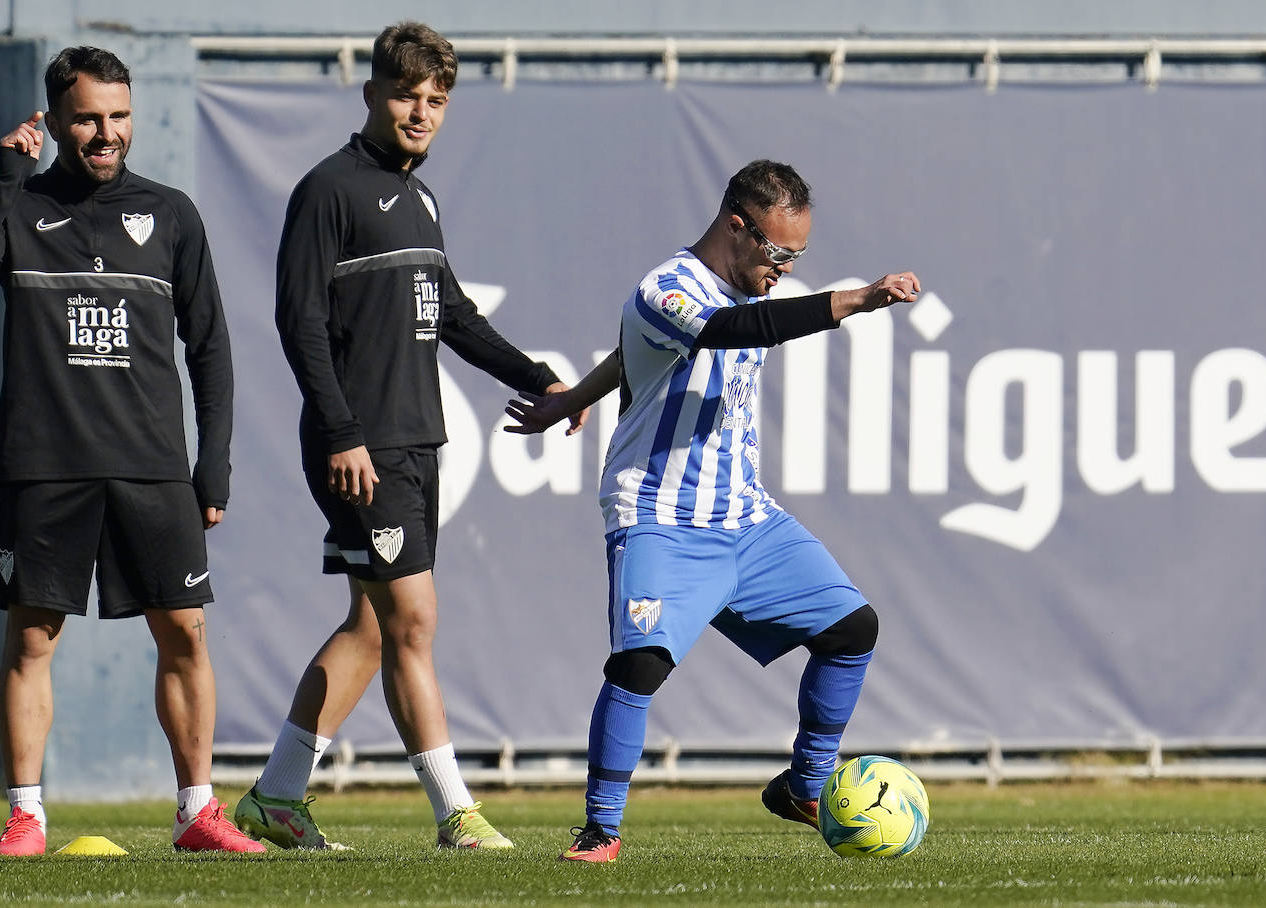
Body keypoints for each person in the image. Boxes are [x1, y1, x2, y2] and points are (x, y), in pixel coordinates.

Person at [504, 160, 919, 862]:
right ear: (736, 225)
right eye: (778, 252)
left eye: (798, 256)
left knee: (853, 627)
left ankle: (804, 786)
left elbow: (639, 354)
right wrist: (853, 300)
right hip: (659, 515)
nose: (785, 267)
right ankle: (601, 829)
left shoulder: (728, 291)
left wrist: (574, 399)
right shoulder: (668, 288)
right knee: (640, 665)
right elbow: (730, 331)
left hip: (746, 517)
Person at [233, 21, 580, 852]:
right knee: (415, 619)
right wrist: (344, 432)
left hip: (415, 443)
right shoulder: (329, 190)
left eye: (436, 100)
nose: (421, 112)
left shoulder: (419, 197)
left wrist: (541, 380)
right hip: (363, 448)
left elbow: (451, 312)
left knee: (373, 623)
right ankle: (455, 811)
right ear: (371, 95)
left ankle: (275, 797)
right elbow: (299, 320)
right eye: (405, 95)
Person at [0, 47, 263, 855]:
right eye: (91, 118)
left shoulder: (171, 214)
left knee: (186, 634)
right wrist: (0, 180)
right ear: (58, 121)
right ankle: (26, 815)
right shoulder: (20, 206)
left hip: (153, 466)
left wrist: (214, 462)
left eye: (120, 116)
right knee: (32, 642)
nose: (108, 133)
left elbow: (211, 348)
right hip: (44, 464)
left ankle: (197, 813)